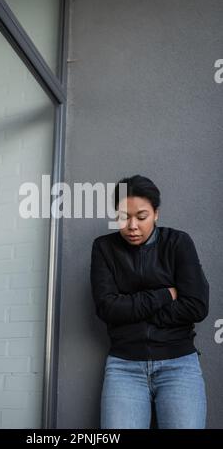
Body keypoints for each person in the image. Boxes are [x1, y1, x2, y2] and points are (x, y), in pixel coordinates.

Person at [90, 174, 209, 429]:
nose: (132, 225)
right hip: (124, 367)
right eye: (123, 216)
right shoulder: (103, 248)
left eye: (141, 217)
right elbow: (107, 308)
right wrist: (164, 295)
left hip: (179, 364)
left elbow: (196, 306)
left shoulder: (178, 243)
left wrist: (132, 312)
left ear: (156, 213)